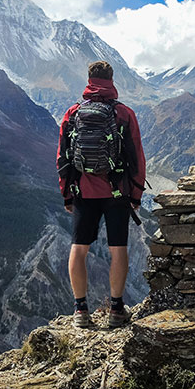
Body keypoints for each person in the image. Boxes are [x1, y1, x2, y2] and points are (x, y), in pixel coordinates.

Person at [56, 61, 146, 328]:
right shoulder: (124, 114)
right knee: (118, 249)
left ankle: (81, 311)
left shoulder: (72, 113)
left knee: (79, 249)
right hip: (117, 191)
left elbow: (62, 157)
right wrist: (136, 195)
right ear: (112, 80)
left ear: (88, 80)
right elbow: (137, 157)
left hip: (83, 190)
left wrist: (67, 194)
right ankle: (116, 309)